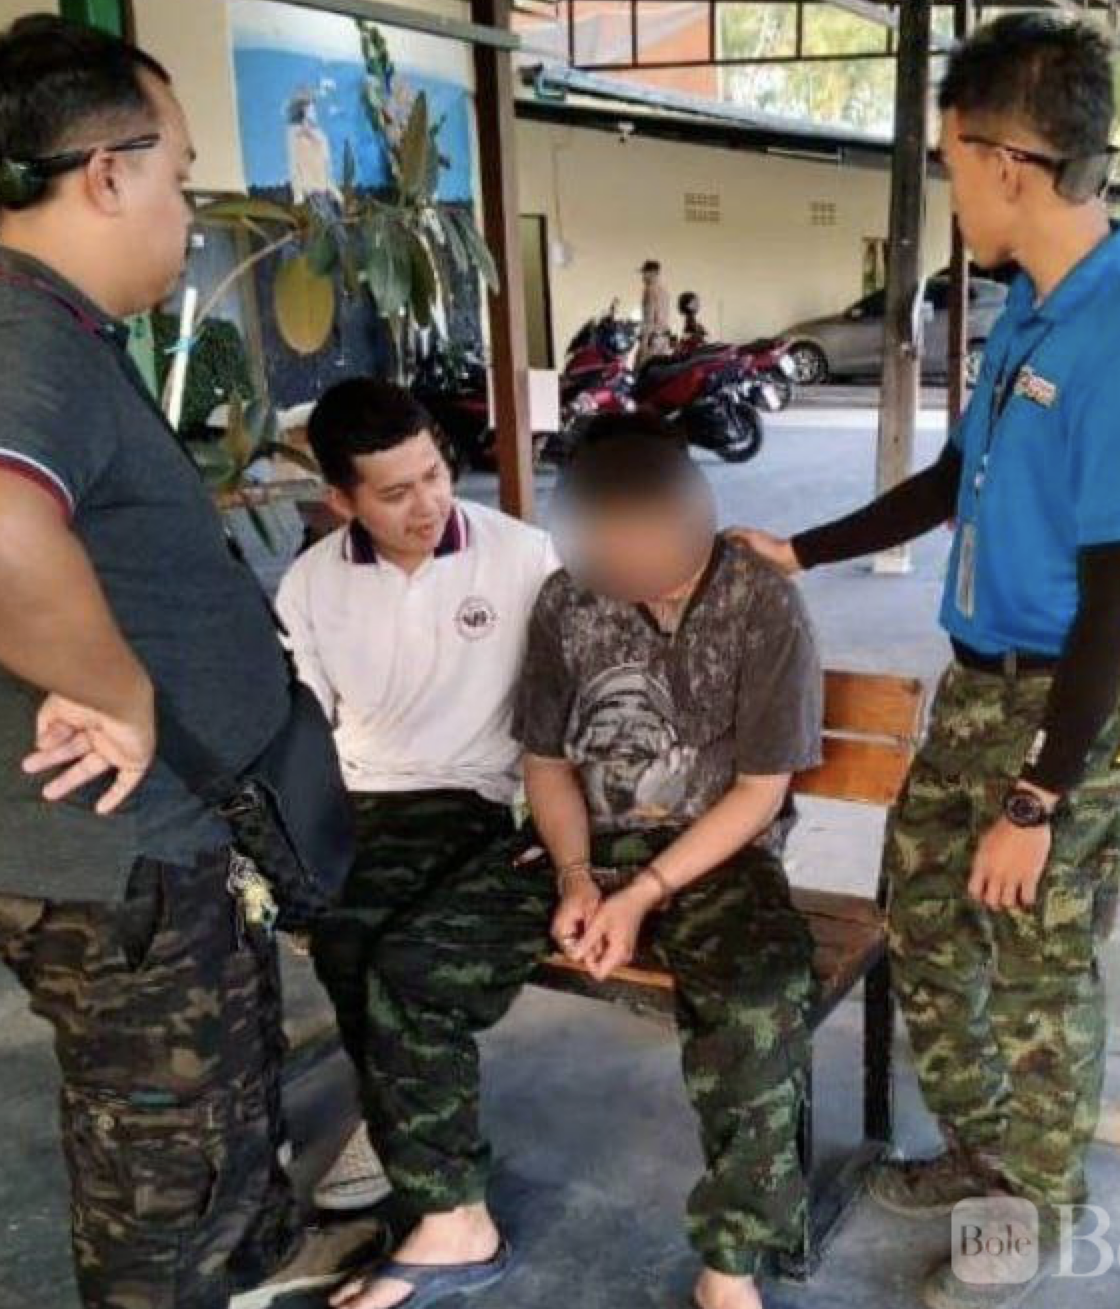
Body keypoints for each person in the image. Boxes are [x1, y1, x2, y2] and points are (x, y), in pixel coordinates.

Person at [734, 14, 1120, 1309]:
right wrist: (799, 548)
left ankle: (1034, 1201)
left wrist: (1037, 800)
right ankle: (988, 1145)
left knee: (1038, 968)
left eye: (950, 165)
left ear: (1006, 162)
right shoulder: (1029, 311)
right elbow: (951, 481)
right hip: (977, 684)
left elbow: (1116, 590)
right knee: (925, 917)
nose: (951, 192)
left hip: (1064, 705)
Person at [0, 15, 380, 1309]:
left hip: (164, 843)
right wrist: (119, 693)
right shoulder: (18, 339)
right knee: (161, 1158)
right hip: (121, 853)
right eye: (181, 172)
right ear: (106, 174)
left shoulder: (49, 330)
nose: (187, 207)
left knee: (218, 1092)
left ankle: (259, 1251)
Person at [329, 412, 824, 1309]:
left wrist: (640, 894)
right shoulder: (569, 598)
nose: (621, 557)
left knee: (758, 1002)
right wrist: (575, 877)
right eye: (605, 534)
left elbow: (760, 792)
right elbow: (547, 762)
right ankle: (453, 1220)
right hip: (580, 846)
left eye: (639, 534)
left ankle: (731, 1263)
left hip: (718, 854)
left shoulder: (760, 603)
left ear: (686, 513)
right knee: (409, 966)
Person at [274, 377, 558, 1215]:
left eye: (434, 473)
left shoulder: (522, 557)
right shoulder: (312, 583)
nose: (428, 503)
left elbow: (569, 699)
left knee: (378, 941)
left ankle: (397, 1121)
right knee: (337, 933)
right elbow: (306, 722)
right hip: (358, 795)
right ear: (341, 499)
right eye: (395, 493)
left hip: (470, 794)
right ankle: (391, 1109)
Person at [637, 257, 673, 365]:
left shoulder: (649, 290)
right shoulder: (664, 291)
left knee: (641, 370)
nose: (643, 277)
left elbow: (649, 319)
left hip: (652, 340)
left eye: (645, 273)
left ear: (653, 273)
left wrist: (643, 345)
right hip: (664, 339)